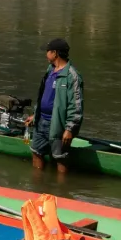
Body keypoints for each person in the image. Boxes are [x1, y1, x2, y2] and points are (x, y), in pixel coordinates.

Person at [24, 39, 83, 175]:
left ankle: (61, 191)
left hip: (58, 124)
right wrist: (35, 114)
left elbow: (76, 105)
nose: (46, 54)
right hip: (41, 121)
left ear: (55, 53)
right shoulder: (50, 70)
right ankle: (38, 187)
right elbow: (44, 95)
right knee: (36, 152)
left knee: (60, 158)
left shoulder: (72, 76)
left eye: (47, 51)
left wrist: (69, 129)